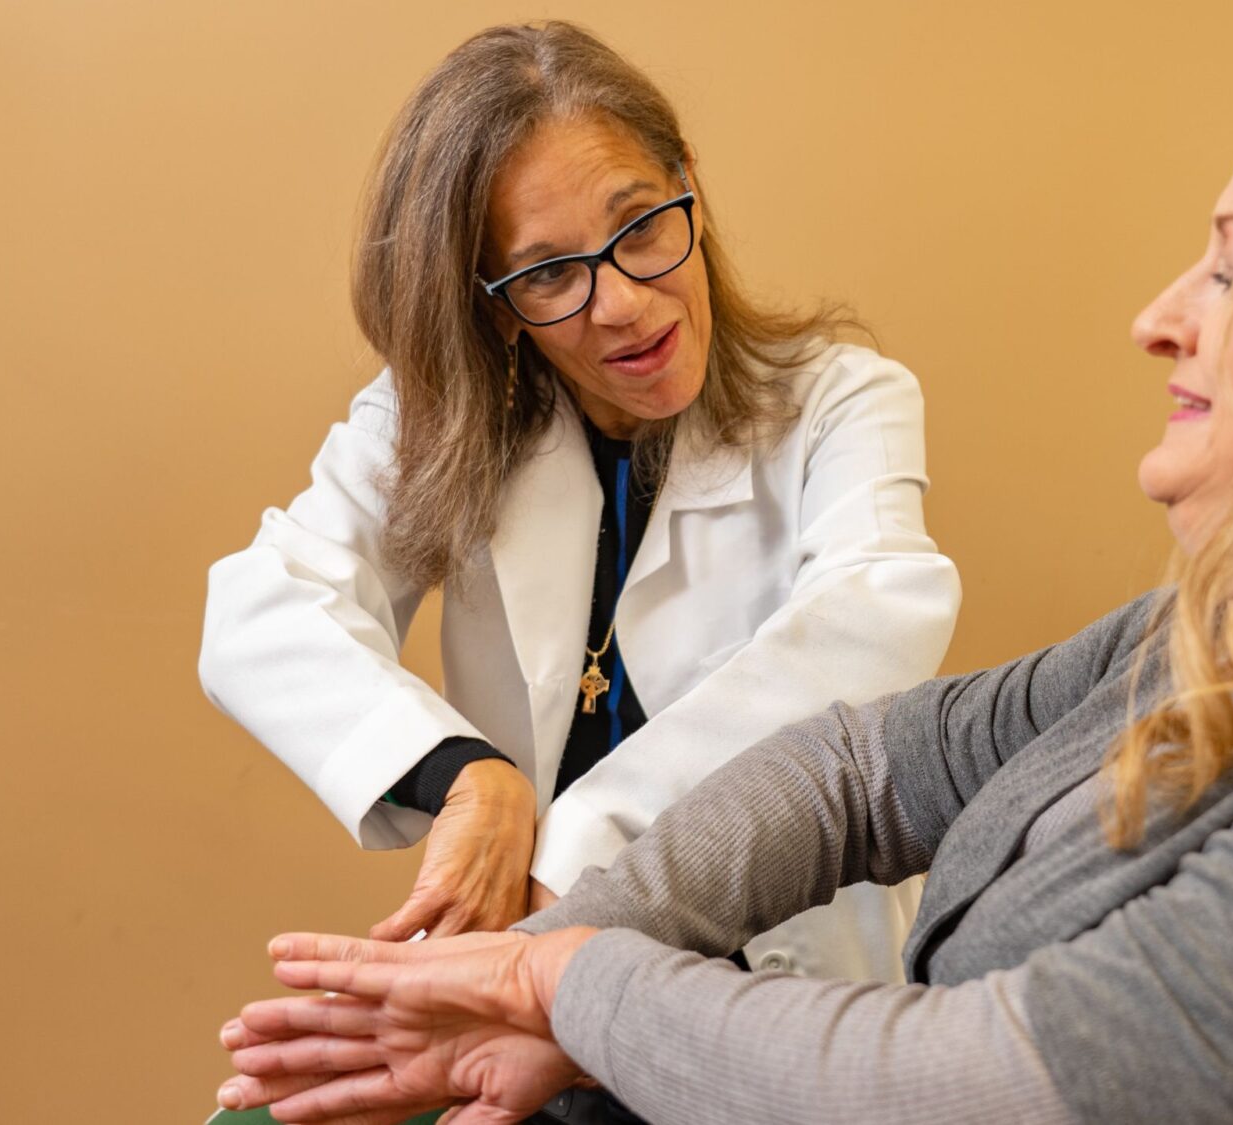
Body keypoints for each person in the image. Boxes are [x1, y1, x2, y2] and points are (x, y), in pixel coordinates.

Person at [215, 32, 1233, 1124]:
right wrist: (508, 869)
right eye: (552, 272)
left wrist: (563, 964)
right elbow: (875, 765)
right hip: (677, 998)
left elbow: (967, 1075)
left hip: (783, 1024)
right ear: (495, 304)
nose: (1161, 314)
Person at [198, 20, 958, 984]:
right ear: (494, 302)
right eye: (550, 271)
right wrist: (468, 777)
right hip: (528, 980)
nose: (624, 303)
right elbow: (260, 609)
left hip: (776, 987)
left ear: (690, 176)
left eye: (641, 225)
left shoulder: (843, 400)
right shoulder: (434, 419)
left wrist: (568, 852)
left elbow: (871, 626)